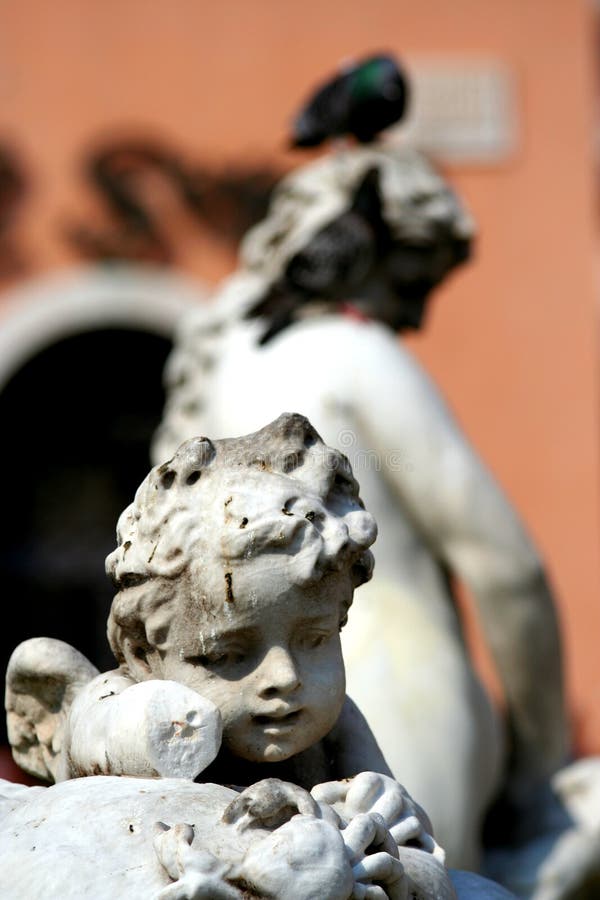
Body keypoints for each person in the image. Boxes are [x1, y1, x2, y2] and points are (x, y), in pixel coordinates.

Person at [152, 144, 570, 869]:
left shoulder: (225, 356)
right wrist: (542, 770)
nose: (415, 312)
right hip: (394, 707)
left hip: (245, 721)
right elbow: (507, 568)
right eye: (414, 279)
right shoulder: (358, 353)